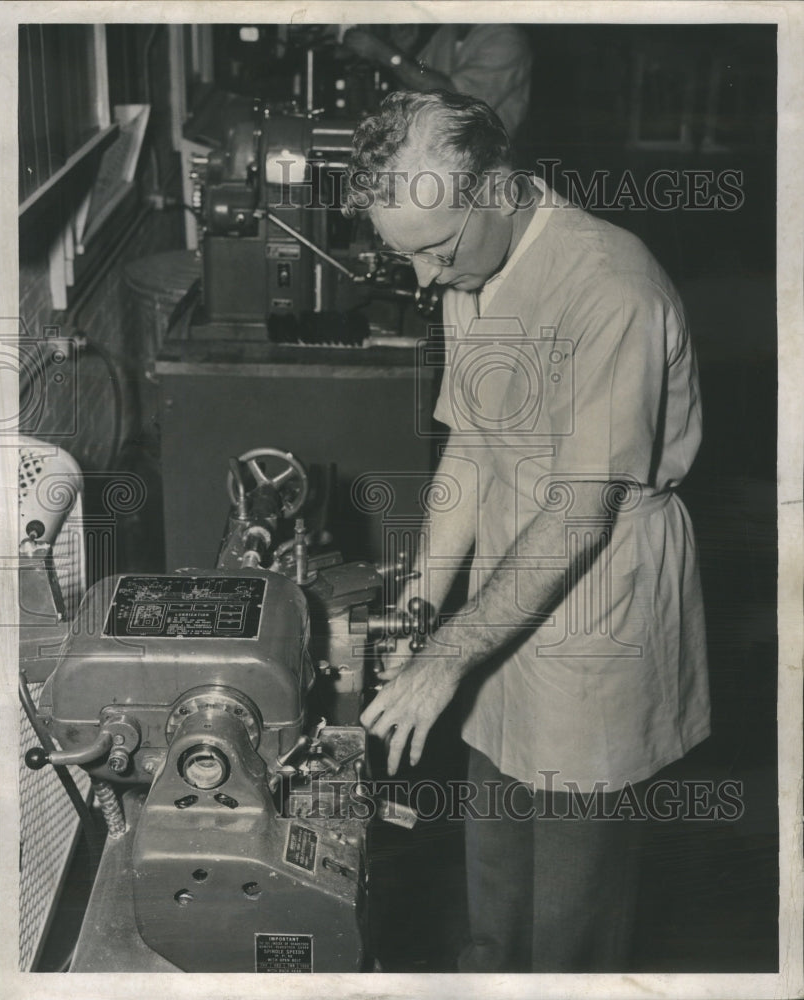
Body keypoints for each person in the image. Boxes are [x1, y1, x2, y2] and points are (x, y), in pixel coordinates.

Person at [345, 90, 710, 972]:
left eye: (433, 253)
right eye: (409, 260)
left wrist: (446, 656)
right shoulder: (475, 266)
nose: (427, 281)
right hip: (502, 606)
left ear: (497, 189)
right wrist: (421, 607)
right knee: (497, 893)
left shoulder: (606, 287)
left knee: (569, 924)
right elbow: (471, 445)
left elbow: (582, 511)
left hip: (598, 601)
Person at [343, 23, 531, 135]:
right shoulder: (448, 32)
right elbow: (417, 87)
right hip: (443, 153)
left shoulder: (507, 39)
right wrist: (402, 53)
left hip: (485, 163)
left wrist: (386, 54)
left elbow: (458, 98)